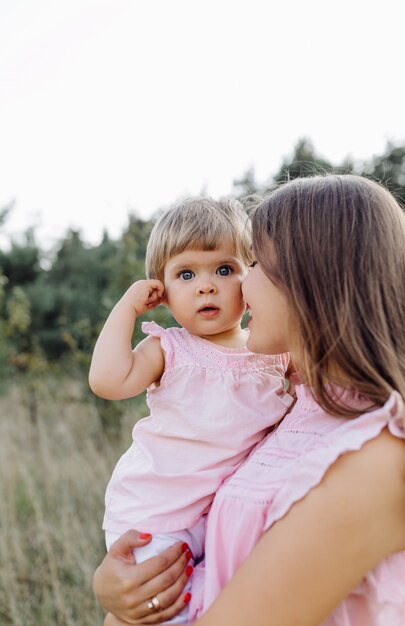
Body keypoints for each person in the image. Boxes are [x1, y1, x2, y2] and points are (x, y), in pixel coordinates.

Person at [93, 174, 405, 626]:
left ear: (314, 276)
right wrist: (121, 598)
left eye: (252, 265)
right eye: (189, 274)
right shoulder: (294, 405)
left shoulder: (373, 455)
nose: (234, 287)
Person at [89, 197, 292, 624]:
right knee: (165, 612)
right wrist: (126, 309)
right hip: (155, 514)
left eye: (224, 269)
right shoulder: (170, 348)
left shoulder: (273, 355)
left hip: (218, 520)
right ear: (160, 292)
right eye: (186, 274)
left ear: (252, 276)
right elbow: (108, 381)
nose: (206, 285)